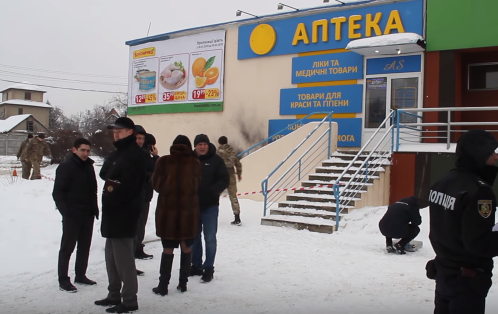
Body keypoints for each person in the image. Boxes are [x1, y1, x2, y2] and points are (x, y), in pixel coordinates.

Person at [428, 129, 498, 314]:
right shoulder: (480, 192)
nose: (496, 156)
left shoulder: (442, 182)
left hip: (444, 274)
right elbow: (478, 244)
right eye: (491, 152)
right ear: (479, 154)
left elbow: (439, 230)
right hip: (467, 281)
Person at [94, 117, 147, 314]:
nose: (116, 134)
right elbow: (106, 174)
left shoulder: (135, 155)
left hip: (124, 212)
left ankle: (130, 299)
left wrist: (115, 197)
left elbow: (132, 186)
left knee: (124, 258)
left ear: (130, 132)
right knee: (111, 257)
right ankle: (114, 293)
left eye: (120, 131)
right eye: (114, 131)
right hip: (112, 212)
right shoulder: (118, 152)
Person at [151, 135, 200, 295]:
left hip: (168, 213)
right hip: (188, 213)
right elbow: (198, 185)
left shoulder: (163, 162)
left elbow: (156, 185)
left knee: (168, 249)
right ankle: (183, 283)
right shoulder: (195, 164)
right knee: (186, 247)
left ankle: (163, 285)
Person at [52, 138, 99, 292]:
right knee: (67, 248)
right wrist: (66, 212)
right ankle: (63, 279)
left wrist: (94, 208)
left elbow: (93, 189)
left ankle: (81, 274)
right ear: (74, 150)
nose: (85, 153)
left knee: (84, 247)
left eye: (87, 150)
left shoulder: (89, 166)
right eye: (82, 150)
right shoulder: (66, 167)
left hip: (88, 213)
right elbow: (58, 192)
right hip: (72, 214)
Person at [190, 134, 229, 283]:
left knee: (210, 238)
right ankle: (196, 265)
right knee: (194, 237)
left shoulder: (216, 160)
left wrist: (213, 191)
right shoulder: (191, 160)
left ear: (208, 145)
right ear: (195, 146)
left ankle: (208, 268)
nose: (202, 146)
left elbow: (225, 179)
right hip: (193, 206)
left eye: (204, 144)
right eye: (199, 144)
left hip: (210, 206)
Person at [133, 125, 159, 260]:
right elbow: (152, 171)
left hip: (145, 195)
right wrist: (155, 157)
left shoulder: (144, 155)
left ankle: (137, 247)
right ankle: (136, 248)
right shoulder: (144, 156)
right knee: (138, 223)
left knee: (140, 223)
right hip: (140, 195)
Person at [217, 136, 243, 226]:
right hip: (231, 175)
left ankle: (212, 215)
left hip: (220, 176)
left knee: (215, 196)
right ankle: (237, 217)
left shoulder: (218, 152)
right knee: (233, 197)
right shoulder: (232, 151)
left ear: (219, 142)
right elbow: (238, 164)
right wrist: (239, 174)